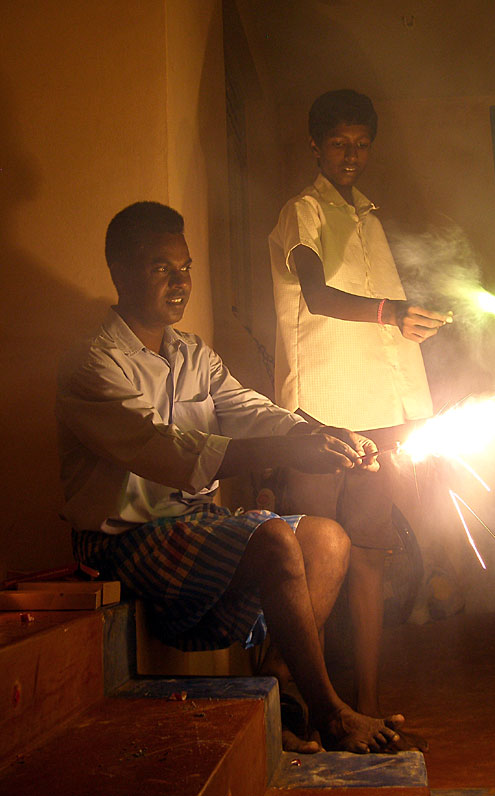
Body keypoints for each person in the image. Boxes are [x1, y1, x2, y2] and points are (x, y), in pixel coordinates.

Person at [55, 200, 423, 756]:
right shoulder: (92, 362)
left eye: (186, 267)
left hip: (190, 528)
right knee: (272, 537)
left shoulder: (192, 355)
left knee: (328, 539)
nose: (181, 283)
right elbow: (166, 451)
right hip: (119, 543)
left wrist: (325, 434)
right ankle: (331, 716)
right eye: (162, 268)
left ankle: (275, 698)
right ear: (121, 273)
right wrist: (292, 448)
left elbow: (252, 410)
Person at [269, 89, 452, 718]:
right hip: (320, 413)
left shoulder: (370, 220)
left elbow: (386, 328)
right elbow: (316, 295)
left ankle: (367, 707)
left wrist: (408, 327)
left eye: (362, 143)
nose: (351, 154)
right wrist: (392, 312)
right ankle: (313, 711)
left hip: (377, 414)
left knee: (371, 559)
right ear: (315, 146)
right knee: (312, 561)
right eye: (339, 143)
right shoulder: (302, 212)